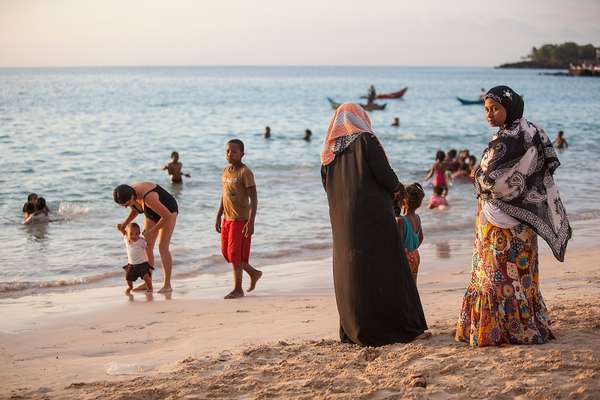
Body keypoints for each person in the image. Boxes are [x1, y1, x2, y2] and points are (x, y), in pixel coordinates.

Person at [455, 85, 572, 347]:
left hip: (499, 219)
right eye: (486, 109)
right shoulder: (531, 131)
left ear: (510, 108)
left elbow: (491, 180)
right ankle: (525, 325)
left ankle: (499, 330)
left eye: (495, 109)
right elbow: (543, 167)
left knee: (496, 271)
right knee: (519, 272)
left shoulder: (509, 139)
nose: (489, 114)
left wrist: (480, 178)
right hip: (526, 215)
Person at [321, 102, 427, 346]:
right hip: (373, 217)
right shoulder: (366, 141)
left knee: (350, 269)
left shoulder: (328, 153)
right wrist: (399, 190)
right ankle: (397, 327)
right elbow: (384, 174)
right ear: (361, 119)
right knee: (385, 267)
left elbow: (327, 185)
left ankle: (351, 329)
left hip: (342, 221)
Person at [215, 139, 262, 299]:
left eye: (234, 151)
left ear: (242, 154)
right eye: (228, 151)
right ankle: (253, 273)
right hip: (227, 219)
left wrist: (251, 221)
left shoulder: (245, 172)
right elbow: (224, 194)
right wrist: (218, 214)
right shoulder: (226, 171)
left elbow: (254, 198)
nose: (230, 154)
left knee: (235, 254)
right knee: (226, 253)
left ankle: (237, 289)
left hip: (240, 219)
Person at [113, 182, 178, 293]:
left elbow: (166, 216)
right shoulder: (129, 192)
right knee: (148, 246)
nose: (125, 207)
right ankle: (148, 282)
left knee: (162, 246)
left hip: (169, 211)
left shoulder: (149, 197)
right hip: (151, 211)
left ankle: (167, 285)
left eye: (126, 204)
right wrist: (125, 223)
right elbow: (136, 209)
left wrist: (152, 231)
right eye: (123, 205)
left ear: (132, 196)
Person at [395, 183, 425, 282]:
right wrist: (413, 248)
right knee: (413, 284)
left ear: (402, 201)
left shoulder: (401, 221)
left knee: (403, 286)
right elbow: (421, 238)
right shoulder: (418, 218)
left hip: (405, 258)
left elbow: (397, 245)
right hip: (415, 255)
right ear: (419, 204)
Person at [120, 222, 153, 293]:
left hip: (142, 263)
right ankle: (130, 287)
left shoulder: (141, 241)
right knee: (128, 277)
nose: (134, 236)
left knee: (146, 276)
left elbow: (148, 245)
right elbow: (123, 232)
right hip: (131, 264)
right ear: (128, 234)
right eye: (131, 234)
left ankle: (149, 287)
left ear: (139, 233)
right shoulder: (126, 240)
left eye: (136, 234)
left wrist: (146, 237)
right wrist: (121, 228)